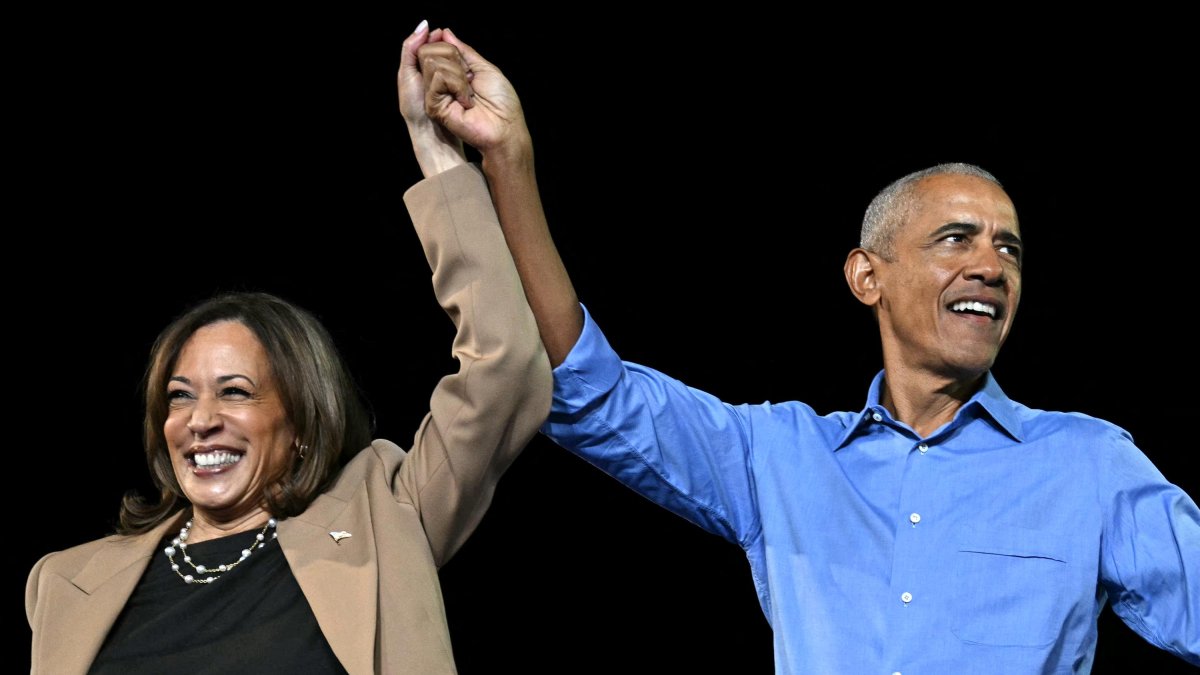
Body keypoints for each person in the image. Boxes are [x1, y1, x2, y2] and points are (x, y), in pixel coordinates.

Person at [413, 30, 1200, 674]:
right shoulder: (780, 458)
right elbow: (593, 392)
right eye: (956, 239)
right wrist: (508, 161)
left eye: (1011, 250)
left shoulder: (1089, 465)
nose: (991, 266)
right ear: (868, 277)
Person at [24, 20, 550, 674]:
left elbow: (506, 368)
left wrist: (435, 148)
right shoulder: (64, 583)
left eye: (235, 391)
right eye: (180, 396)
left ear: (301, 422)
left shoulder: (385, 519)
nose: (200, 418)